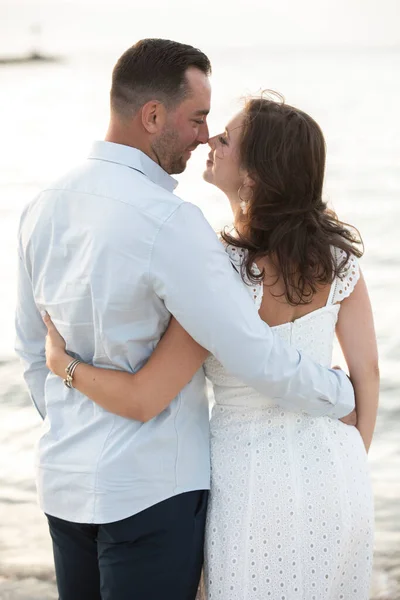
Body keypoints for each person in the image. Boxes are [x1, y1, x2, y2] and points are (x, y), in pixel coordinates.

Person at [16, 38, 356, 600]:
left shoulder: (41, 205)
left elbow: (32, 353)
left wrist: (69, 425)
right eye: (198, 118)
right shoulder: (172, 222)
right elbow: (252, 352)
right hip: (153, 494)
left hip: (64, 487)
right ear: (153, 116)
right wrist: (340, 393)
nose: (204, 135)